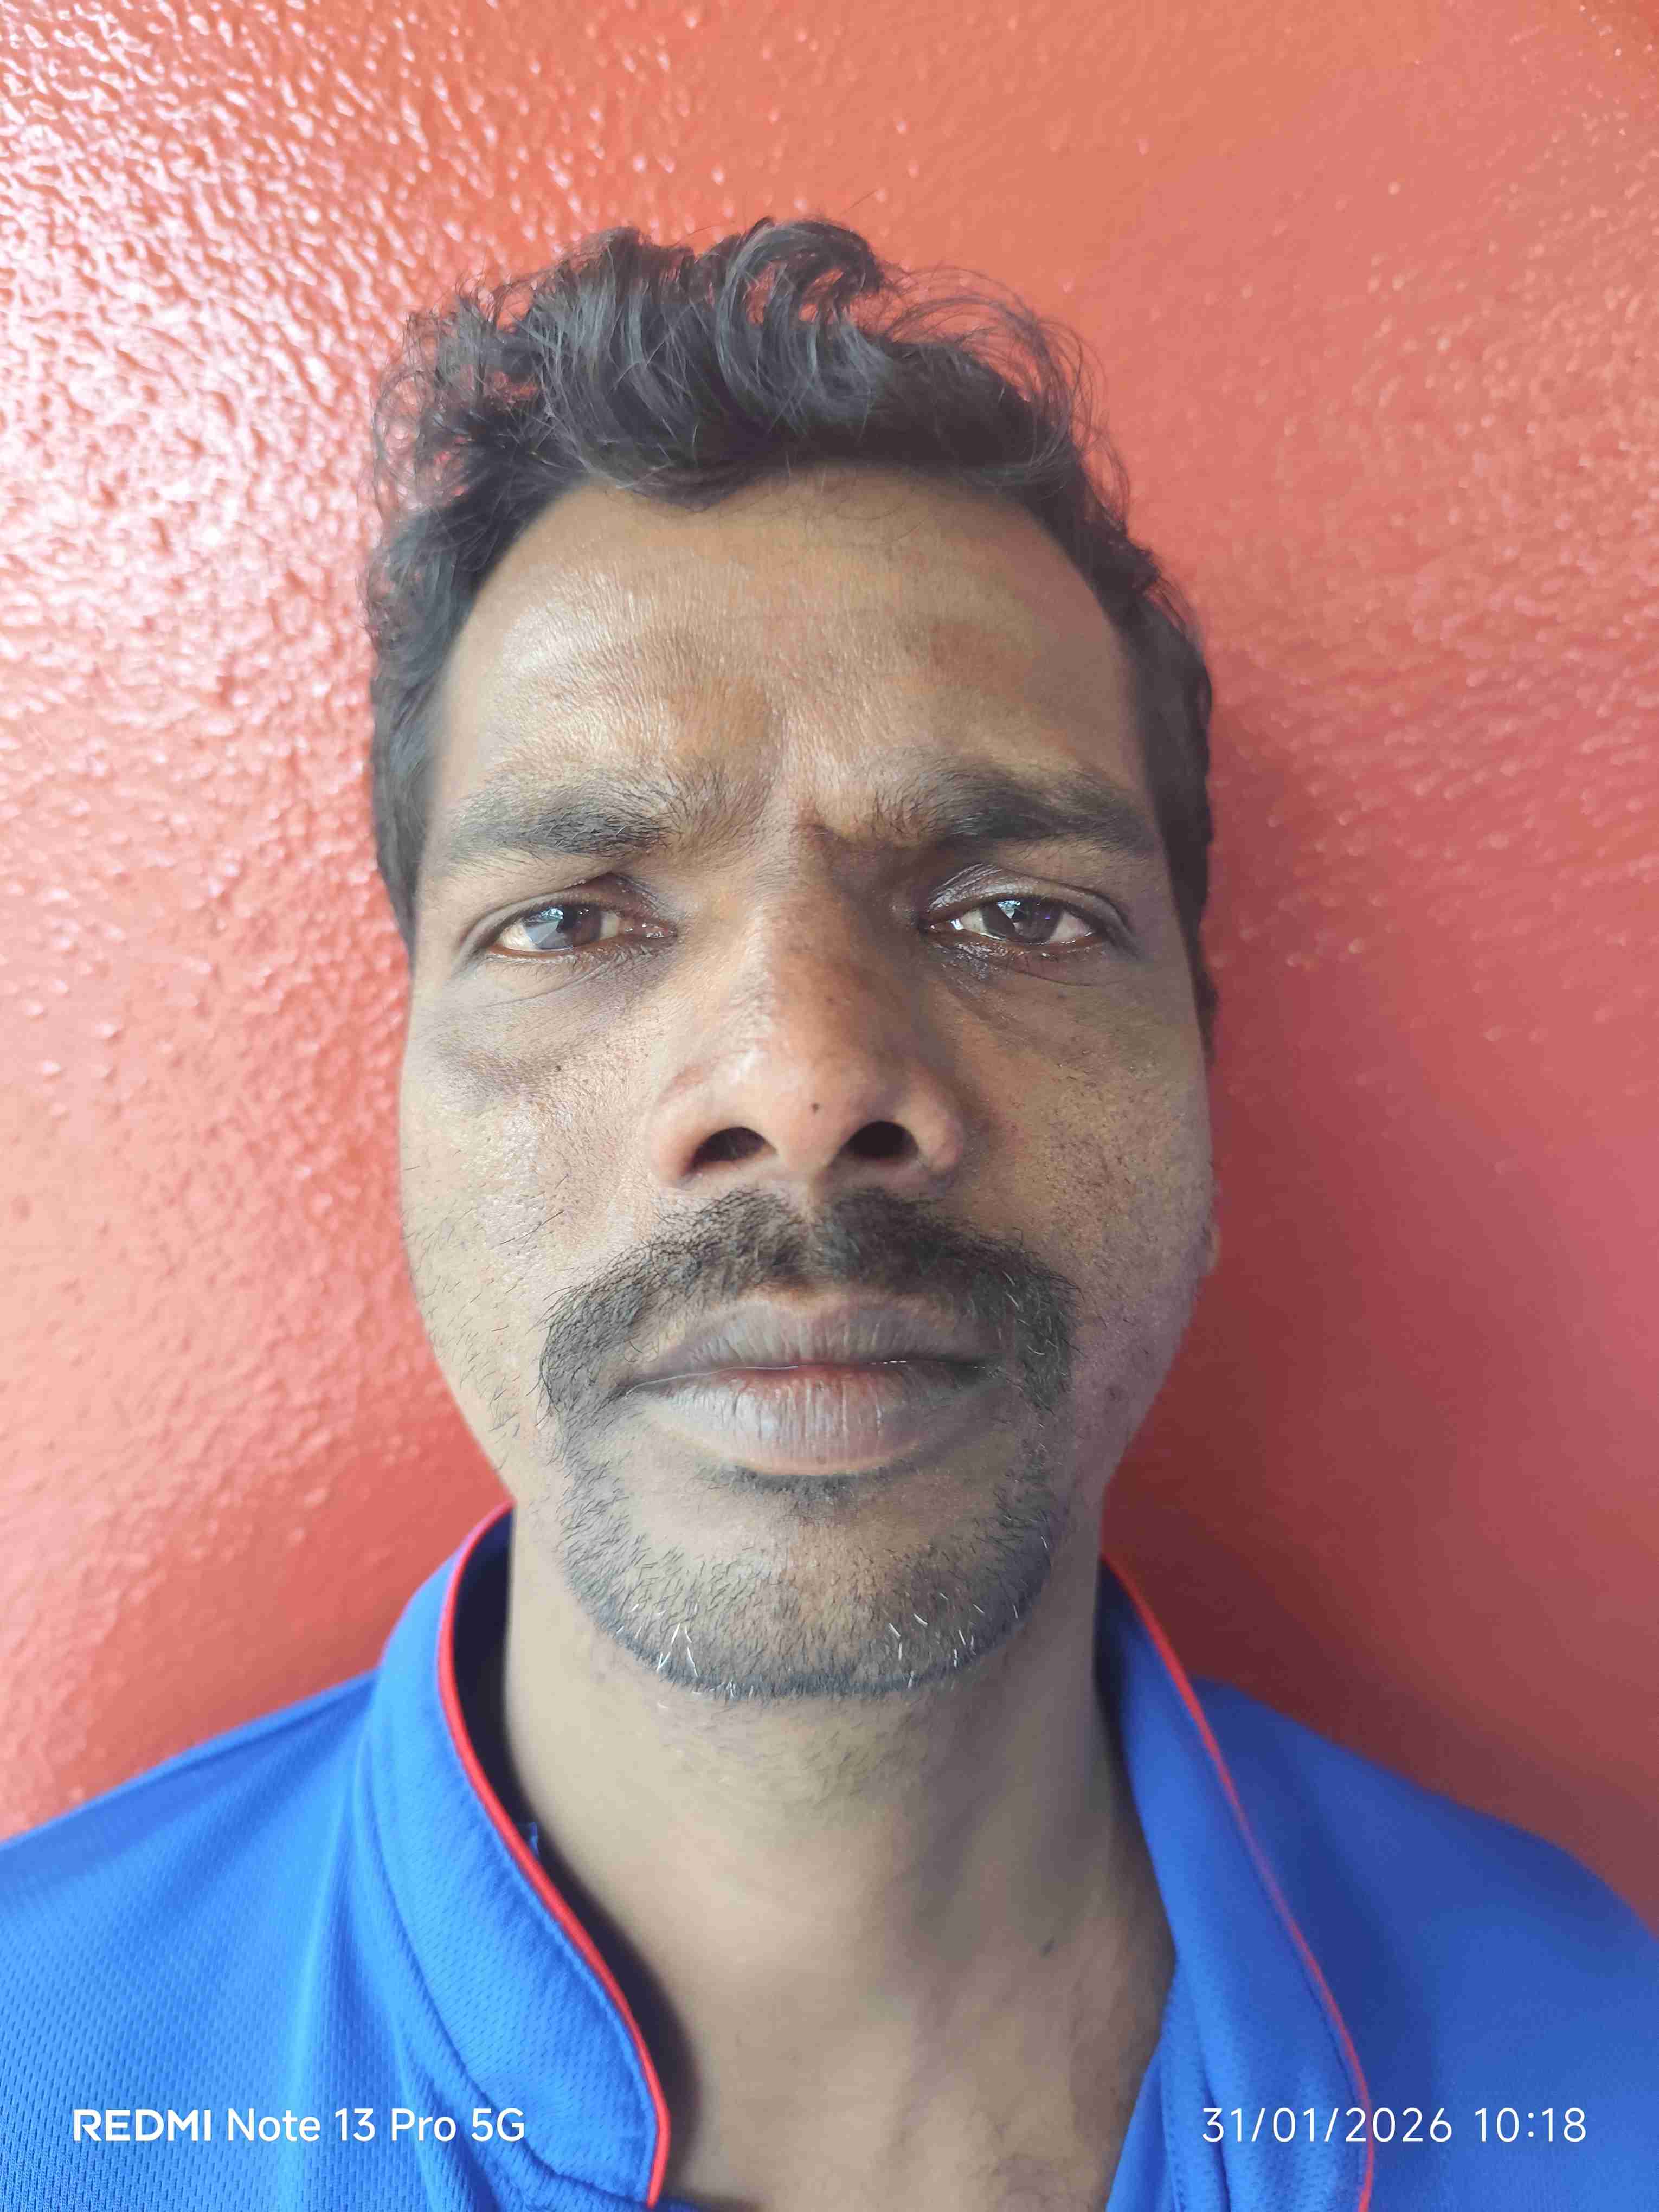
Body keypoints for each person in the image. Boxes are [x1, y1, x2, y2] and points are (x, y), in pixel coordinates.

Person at [2, 216, 1654, 2212]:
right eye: (571, 922)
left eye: (1016, 913)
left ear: (1206, 1098)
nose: (801, 1083)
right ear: (406, 1094)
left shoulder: (1602, 2086)